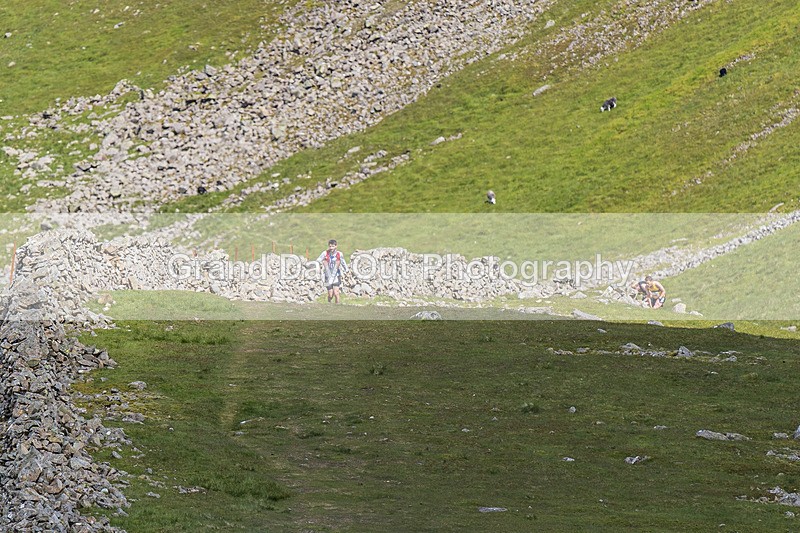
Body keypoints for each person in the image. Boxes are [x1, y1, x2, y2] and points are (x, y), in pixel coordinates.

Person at [317, 239, 348, 303]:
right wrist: (318, 264)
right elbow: (318, 260)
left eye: (333, 246)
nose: (331, 248)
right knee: (330, 294)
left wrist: (346, 270)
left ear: (336, 246)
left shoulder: (339, 254)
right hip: (327, 276)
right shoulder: (325, 253)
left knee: (336, 293)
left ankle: (338, 307)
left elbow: (343, 262)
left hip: (336, 275)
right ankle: (329, 305)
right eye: (330, 246)